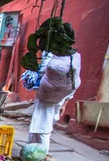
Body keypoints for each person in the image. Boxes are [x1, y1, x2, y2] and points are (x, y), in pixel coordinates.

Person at [28, 24, 81, 152]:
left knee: (41, 126)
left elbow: (42, 71)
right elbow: (74, 79)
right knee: (45, 123)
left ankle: (39, 154)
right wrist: (65, 102)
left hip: (47, 95)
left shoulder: (51, 54)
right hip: (61, 95)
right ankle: (34, 151)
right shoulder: (75, 56)